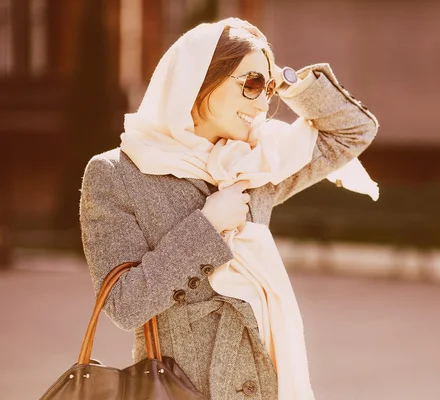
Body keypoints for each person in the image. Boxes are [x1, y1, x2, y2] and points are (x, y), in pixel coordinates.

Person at [79, 17, 378, 400]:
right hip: (182, 389)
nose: (265, 103)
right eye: (252, 84)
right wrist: (207, 227)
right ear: (198, 79)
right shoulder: (115, 174)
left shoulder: (255, 165)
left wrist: (287, 80)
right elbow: (123, 304)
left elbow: (353, 130)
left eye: (268, 88)